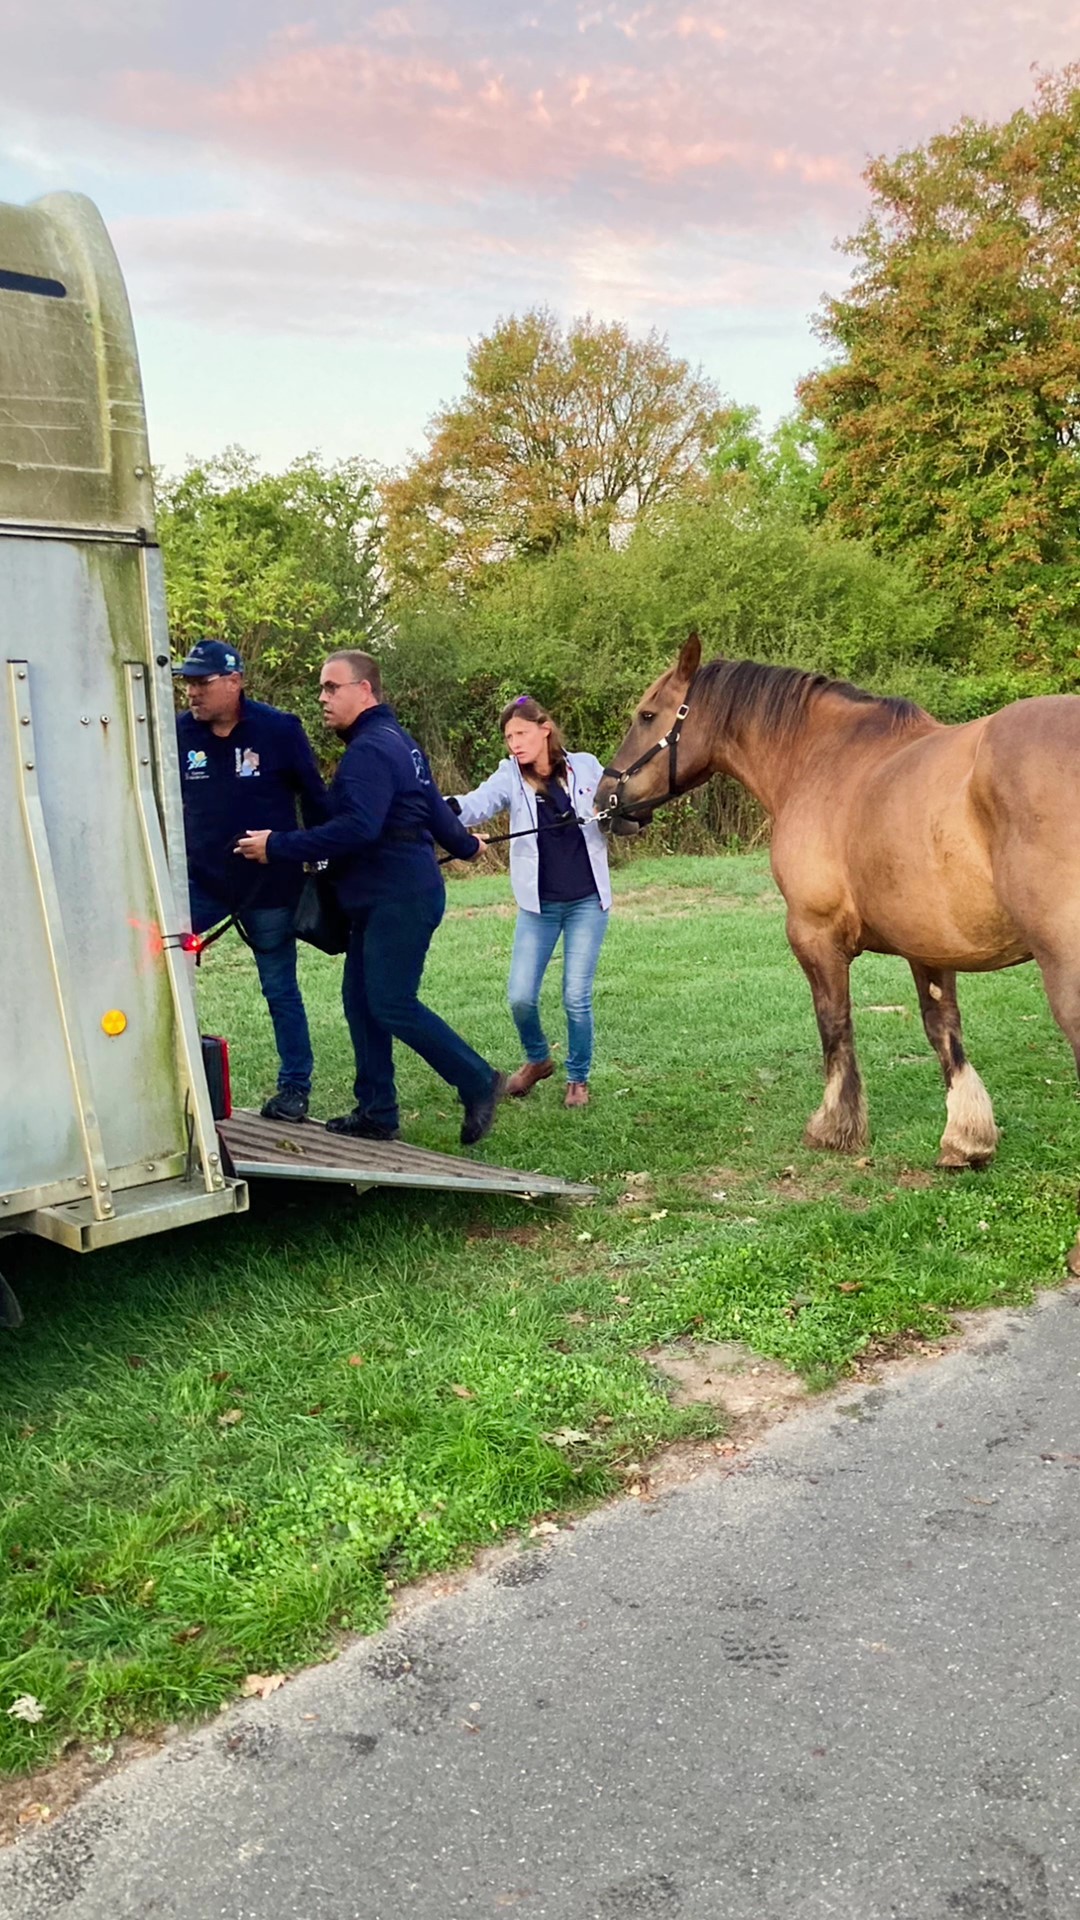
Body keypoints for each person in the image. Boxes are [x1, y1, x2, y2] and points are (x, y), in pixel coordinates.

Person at [234, 650, 506, 1148]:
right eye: (322, 688)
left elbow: (359, 828)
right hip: (388, 896)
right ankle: (377, 1112)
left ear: (365, 690)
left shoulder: (368, 751)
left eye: (332, 687)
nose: (322, 697)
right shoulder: (399, 743)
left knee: (391, 1002)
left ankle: (478, 1079)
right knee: (360, 1003)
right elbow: (433, 810)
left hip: (396, 899)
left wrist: (277, 846)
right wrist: (467, 846)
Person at [175, 638, 327, 1122]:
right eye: (188, 684)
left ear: (235, 681)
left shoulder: (279, 730)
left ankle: (294, 1088)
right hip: (201, 885)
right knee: (158, 968)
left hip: (268, 886)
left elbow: (315, 799)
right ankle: (167, 1080)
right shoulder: (175, 733)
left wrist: (323, 854)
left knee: (279, 988)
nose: (193, 694)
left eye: (203, 683)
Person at [449, 694, 611, 1108]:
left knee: (576, 995)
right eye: (508, 737)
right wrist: (440, 810)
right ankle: (538, 1061)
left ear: (545, 728)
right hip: (538, 906)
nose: (514, 743)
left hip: (586, 902)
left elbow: (615, 809)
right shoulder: (510, 776)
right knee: (520, 996)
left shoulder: (586, 766)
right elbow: (476, 804)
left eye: (521, 733)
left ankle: (578, 1078)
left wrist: (623, 816)